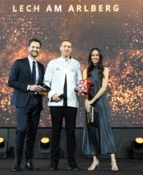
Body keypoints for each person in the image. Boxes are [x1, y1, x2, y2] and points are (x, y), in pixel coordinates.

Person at [43, 39, 82, 171]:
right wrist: (51, 95)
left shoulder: (76, 64)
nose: (67, 48)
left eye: (69, 47)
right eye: (64, 46)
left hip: (71, 103)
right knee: (55, 132)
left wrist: (81, 89)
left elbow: (79, 82)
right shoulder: (53, 63)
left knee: (70, 133)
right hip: (56, 103)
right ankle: (54, 163)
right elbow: (46, 82)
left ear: (71, 49)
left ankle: (72, 163)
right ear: (60, 48)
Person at [7, 38, 45, 172]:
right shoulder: (19, 63)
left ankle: (29, 162)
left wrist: (46, 91)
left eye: (37, 47)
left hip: (36, 103)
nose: (35, 49)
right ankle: (17, 163)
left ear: (39, 50)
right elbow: (11, 82)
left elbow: (42, 85)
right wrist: (29, 87)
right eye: (33, 47)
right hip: (23, 103)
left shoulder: (41, 66)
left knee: (32, 134)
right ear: (28, 48)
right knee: (22, 130)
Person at [82, 48, 119, 172]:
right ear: (90, 57)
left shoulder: (105, 70)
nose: (95, 57)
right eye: (93, 55)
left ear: (100, 57)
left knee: (105, 130)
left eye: (97, 55)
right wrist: (87, 101)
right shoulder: (85, 71)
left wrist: (92, 101)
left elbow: (103, 88)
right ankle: (95, 160)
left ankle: (113, 160)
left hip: (101, 105)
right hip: (90, 106)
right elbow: (84, 88)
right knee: (91, 131)